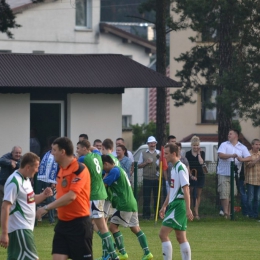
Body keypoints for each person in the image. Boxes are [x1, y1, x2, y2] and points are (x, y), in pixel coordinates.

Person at [36, 137, 93, 260]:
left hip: (79, 224)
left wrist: (46, 208)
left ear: (63, 152)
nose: (52, 153)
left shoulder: (79, 168)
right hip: (62, 224)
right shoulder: (61, 169)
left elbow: (71, 196)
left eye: (54, 150)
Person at [0, 152, 53, 260]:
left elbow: (31, 199)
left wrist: (44, 195)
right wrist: (4, 233)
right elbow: (5, 207)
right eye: (36, 167)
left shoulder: (26, 179)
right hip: (20, 230)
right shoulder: (14, 181)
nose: (37, 170)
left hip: (25, 229)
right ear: (28, 167)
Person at [102, 155, 153, 260]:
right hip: (131, 202)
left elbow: (104, 185)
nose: (103, 169)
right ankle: (147, 252)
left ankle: (122, 252)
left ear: (106, 164)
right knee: (135, 228)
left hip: (124, 204)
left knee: (112, 227)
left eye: (103, 167)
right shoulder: (118, 169)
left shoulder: (114, 171)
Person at [77, 140, 119, 260]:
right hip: (100, 193)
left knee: (100, 226)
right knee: (92, 224)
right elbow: (95, 148)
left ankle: (113, 253)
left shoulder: (83, 159)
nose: (77, 151)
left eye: (79, 148)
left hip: (94, 195)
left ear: (85, 149)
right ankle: (111, 248)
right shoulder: (97, 155)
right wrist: (90, 146)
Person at [159, 143, 193, 260]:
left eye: (167, 154)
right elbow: (172, 191)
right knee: (180, 237)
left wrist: (188, 208)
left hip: (178, 205)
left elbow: (186, 189)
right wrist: (164, 206)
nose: (165, 156)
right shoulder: (173, 168)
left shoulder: (180, 167)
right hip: (174, 205)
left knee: (163, 234)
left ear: (174, 153)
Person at [217, 129, 251, 218]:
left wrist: (241, 159)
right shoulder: (224, 145)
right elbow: (221, 155)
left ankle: (230, 212)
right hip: (223, 173)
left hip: (235, 174)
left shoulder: (242, 147)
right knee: (224, 193)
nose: (228, 135)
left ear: (236, 136)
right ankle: (226, 213)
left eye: (230, 134)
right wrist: (231, 156)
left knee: (232, 193)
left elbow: (249, 157)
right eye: (228, 134)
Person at [36, 136, 59, 224]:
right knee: (37, 197)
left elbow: (58, 169)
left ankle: (51, 219)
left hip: (50, 180)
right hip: (40, 178)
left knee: (50, 199)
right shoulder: (45, 153)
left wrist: (54, 182)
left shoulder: (58, 156)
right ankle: (36, 218)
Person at [138, 136, 160, 220]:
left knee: (157, 198)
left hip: (157, 178)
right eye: (150, 143)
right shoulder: (143, 153)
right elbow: (139, 165)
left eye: (153, 143)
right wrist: (146, 163)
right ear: (148, 144)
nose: (152, 144)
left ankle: (157, 215)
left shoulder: (159, 153)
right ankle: (146, 215)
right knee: (146, 198)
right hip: (147, 178)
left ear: (155, 143)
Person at [185, 136, 205, 220]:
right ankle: (189, 212)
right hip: (191, 175)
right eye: (194, 145)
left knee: (197, 194)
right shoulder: (188, 154)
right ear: (191, 145)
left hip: (200, 175)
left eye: (197, 145)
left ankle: (196, 211)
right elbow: (187, 165)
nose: (195, 147)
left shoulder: (202, 153)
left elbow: (201, 162)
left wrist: (199, 154)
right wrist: (191, 175)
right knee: (190, 193)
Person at [0, 146, 22, 216]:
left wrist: (14, 162)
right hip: (3, 184)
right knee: (2, 203)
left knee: (13, 203)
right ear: (12, 153)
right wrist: (10, 162)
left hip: (14, 186)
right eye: (16, 153)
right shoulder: (6, 156)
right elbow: (1, 160)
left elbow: (21, 166)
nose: (18, 154)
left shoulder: (21, 159)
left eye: (19, 153)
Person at [245, 138, 260, 219]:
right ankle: (249, 214)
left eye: (259, 144)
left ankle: (255, 214)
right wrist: (257, 159)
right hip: (251, 179)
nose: (258, 146)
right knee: (250, 198)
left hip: (259, 180)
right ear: (252, 145)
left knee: (257, 198)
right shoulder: (248, 154)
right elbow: (248, 165)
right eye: (256, 144)